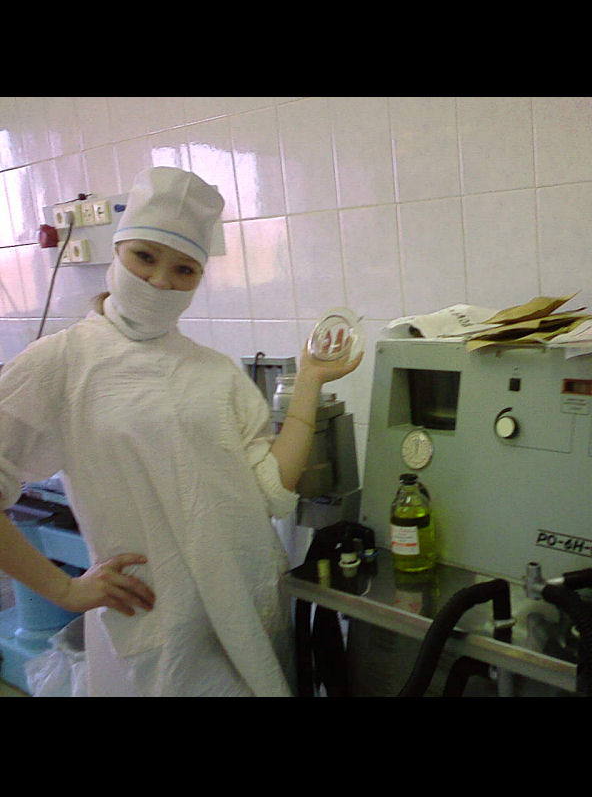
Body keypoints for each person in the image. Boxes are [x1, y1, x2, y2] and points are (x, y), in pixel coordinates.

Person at [0, 166, 362, 696]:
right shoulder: (62, 363)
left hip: (247, 610)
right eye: (145, 257)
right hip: (155, 628)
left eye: (184, 269)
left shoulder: (215, 374)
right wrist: (66, 590)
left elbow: (270, 491)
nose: (160, 281)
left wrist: (309, 379)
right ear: (117, 250)